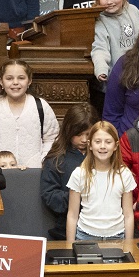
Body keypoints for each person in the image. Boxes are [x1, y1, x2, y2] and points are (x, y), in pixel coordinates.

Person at [0, 59, 58, 168]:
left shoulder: (41, 106)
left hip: (35, 173)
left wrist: (42, 160)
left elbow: (52, 138)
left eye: (21, 78)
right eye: (9, 78)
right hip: (0, 175)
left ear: (29, 81)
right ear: (1, 81)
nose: (15, 82)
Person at [66, 122, 136, 244]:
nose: (102, 146)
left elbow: (129, 214)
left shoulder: (124, 174)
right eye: (97, 142)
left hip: (117, 236)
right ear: (90, 145)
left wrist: (129, 245)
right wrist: (70, 246)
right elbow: (72, 215)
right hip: (85, 236)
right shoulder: (79, 174)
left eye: (108, 142)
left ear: (115, 146)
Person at [41, 103, 97, 241]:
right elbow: (49, 195)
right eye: (78, 134)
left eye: (88, 134)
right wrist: (79, 197)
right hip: (66, 229)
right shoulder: (56, 159)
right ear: (68, 131)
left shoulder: (102, 155)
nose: (84, 140)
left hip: (101, 227)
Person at [90, 0, 139, 84]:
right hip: (116, 80)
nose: (109, 1)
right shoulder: (99, 20)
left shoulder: (133, 11)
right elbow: (99, 48)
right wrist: (101, 69)